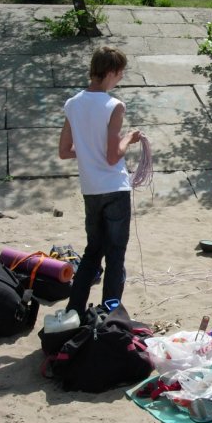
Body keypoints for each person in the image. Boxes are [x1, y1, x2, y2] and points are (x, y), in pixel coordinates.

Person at [58, 46, 142, 318]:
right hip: (114, 188)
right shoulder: (114, 105)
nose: (120, 78)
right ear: (110, 72)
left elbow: (64, 151)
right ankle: (109, 315)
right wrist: (130, 138)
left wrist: (88, 149)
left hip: (90, 189)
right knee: (115, 255)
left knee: (93, 252)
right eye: (119, 74)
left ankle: (74, 310)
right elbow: (111, 156)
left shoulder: (72, 104)